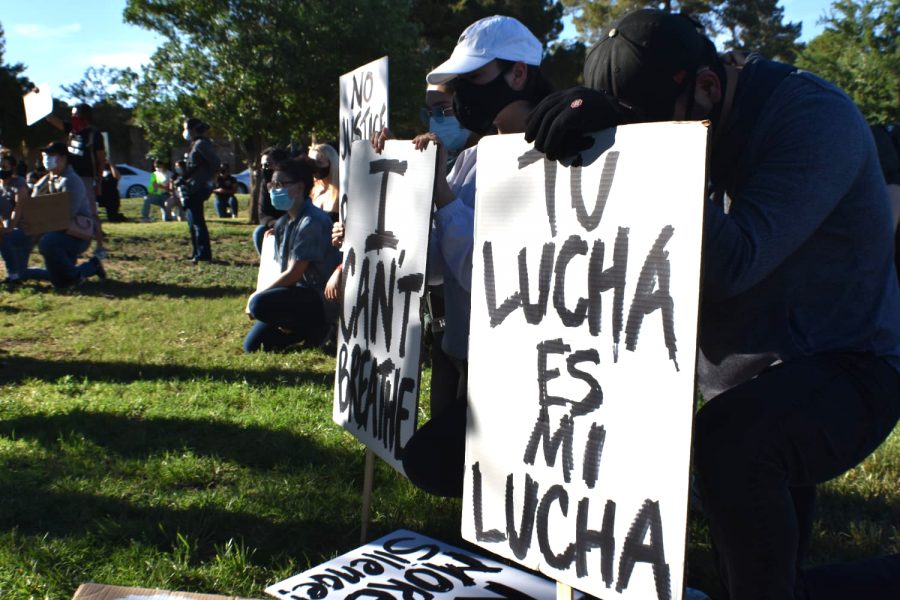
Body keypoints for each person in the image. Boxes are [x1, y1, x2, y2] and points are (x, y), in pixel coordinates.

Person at [526, 9, 900, 599]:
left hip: (850, 367)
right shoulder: (705, 104)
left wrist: (640, 147)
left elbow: (732, 263)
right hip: (748, 370)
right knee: (764, 559)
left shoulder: (813, 119)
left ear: (707, 86)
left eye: (660, 129)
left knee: (734, 448)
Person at [393, 14, 553, 497]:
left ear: (518, 74)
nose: (461, 96)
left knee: (450, 466)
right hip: (467, 348)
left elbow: (493, 279)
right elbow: (441, 270)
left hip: (521, 365)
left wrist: (442, 196)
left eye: (474, 79)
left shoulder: (552, 157)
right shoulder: (471, 158)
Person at [243, 157, 340, 352]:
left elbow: (294, 273)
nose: (273, 189)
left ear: (299, 187)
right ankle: (306, 332)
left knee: (258, 304)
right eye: (273, 183)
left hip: (319, 298)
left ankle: (319, 326)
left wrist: (257, 295)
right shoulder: (284, 223)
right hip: (297, 292)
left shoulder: (311, 222)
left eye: (280, 184)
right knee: (252, 346)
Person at [31, 142, 106, 288]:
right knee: (59, 282)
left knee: (47, 242)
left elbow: (66, 214)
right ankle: (91, 267)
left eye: (51, 155)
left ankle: (77, 275)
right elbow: (34, 201)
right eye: (45, 155)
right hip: (60, 232)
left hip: (77, 234)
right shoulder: (51, 178)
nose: (47, 159)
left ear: (64, 158)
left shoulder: (71, 180)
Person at [181, 118, 220, 262]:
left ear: (193, 129)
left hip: (197, 188)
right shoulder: (197, 144)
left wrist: (209, 182)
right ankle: (196, 252)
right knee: (192, 222)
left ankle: (203, 255)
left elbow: (216, 163)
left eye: (185, 128)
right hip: (192, 187)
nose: (184, 132)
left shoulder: (201, 144)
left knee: (198, 223)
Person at [0, 153, 34, 283]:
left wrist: (9, 228)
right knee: (23, 273)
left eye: (4, 166)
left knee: (3, 239)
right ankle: (15, 274)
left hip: (23, 229)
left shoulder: (20, 184)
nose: (1, 169)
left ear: (13, 168)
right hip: (9, 229)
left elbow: (18, 208)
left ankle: (13, 276)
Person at [252, 147, 289, 254]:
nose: (264, 168)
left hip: (295, 225)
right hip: (275, 225)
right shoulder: (266, 184)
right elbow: (263, 214)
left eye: (268, 165)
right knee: (259, 232)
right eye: (262, 165)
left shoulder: (292, 182)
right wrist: (277, 225)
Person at [307, 144, 339, 219]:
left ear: (332, 163)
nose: (315, 166)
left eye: (319, 162)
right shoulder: (311, 191)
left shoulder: (342, 191)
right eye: (313, 163)